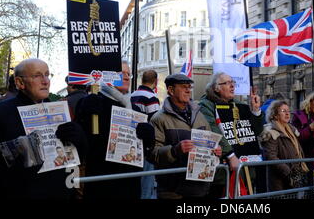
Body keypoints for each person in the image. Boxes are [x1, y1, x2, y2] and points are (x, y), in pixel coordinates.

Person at [0, 58, 88, 199]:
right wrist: (14, 148)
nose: (45, 81)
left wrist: (79, 139)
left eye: (47, 74)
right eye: (37, 75)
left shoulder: (62, 110)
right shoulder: (3, 112)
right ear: (19, 83)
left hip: (61, 192)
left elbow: (79, 156)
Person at [75, 60, 155, 199]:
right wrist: (84, 116)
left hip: (130, 184)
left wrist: (148, 139)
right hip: (102, 185)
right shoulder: (92, 102)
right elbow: (82, 143)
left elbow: (144, 150)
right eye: (121, 73)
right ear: (108, 76)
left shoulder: (134, 108)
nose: (126, 77)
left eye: (128, 74)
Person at [149, 73, 221, 199]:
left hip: (199, 188)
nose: (188, 90)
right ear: (171, 90)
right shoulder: (158, 119)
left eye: (189, 87)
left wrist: (215, 150)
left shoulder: (200, 115)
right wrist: (175, 150)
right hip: (172, 191)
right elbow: (152, 154)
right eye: (183, 87)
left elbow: (210, 143)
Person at [199, 72, 263, 198]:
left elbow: (257, 131)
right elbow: (213, 131)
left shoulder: (240, 106)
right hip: (222, 172)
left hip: (245, 170)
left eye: (233, 82)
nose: (232, 86)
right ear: (216, 88)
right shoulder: (205, 105)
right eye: (227, 83)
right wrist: (231, 155)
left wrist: (255, 111)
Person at [258, 100, 310, 192]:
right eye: (283, 111)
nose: (287, 114)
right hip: (280, 182)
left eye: (288, 111)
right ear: (275, 115)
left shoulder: (292, 130)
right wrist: (289, 173)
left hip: (295, 179)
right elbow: (271, 157)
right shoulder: (271, 133)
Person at [130, 69, 160, 199]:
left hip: (132, 141)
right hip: (146, 146)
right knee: (146, 183)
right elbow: (155, 123)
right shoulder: (151, 98)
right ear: (156, 81)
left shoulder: (132, 95)